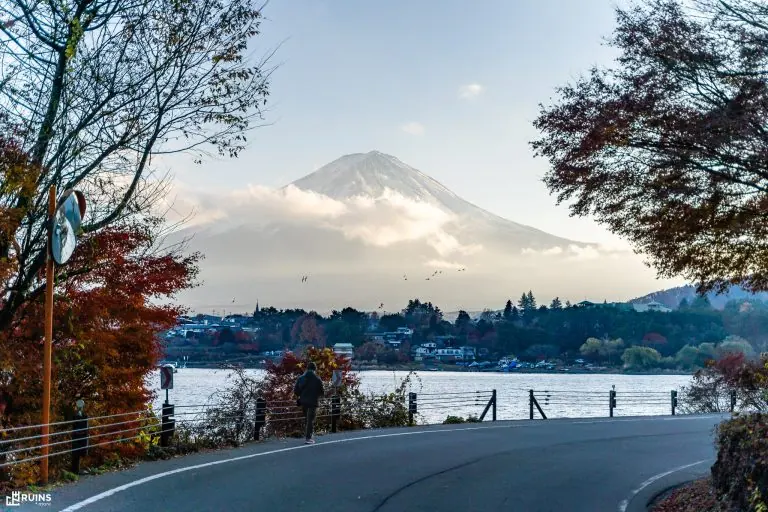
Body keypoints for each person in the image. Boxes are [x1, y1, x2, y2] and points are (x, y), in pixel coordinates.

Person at [293, 362, 325, 444]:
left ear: (307, 368)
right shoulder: (317, 379)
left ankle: (308, 435)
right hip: (313, 402)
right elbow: (322, 392)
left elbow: (296, 391)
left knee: (307, 419)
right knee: (310, 420)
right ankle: (308, 438)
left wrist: (302, 394)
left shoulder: (301, 378)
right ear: (315, 369)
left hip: (303, 401)